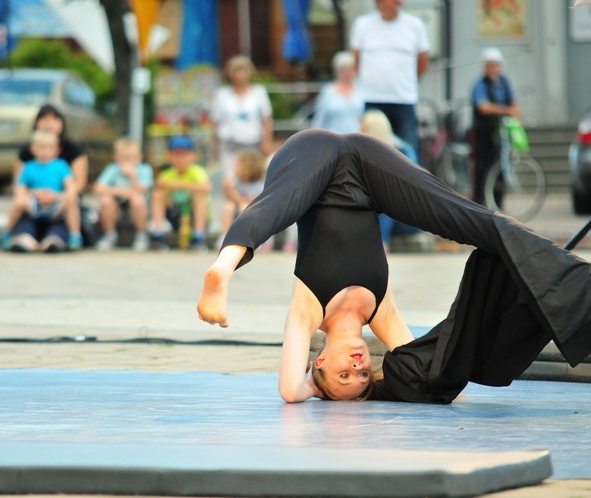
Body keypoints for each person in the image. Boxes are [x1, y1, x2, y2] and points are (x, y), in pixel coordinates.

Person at [197, 129, 591, 404]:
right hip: (370, 174)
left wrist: (313, 391)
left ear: (318, 361)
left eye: (342, 375)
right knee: (469, 219)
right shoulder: (381, 314)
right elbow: (437, 371)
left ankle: (225, 265)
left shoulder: (308, 311)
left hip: (307, 157)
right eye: (364, 374)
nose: (357, 367)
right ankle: (578, 285)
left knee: (279, 203)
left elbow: (288, 390)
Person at [350, 0, 429, 154]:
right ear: (380, 3)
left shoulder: (415, 26)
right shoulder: (363, 25)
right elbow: (357, 60)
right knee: (370, 152)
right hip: (372, 99)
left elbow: (423, 62)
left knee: (408, 152)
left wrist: (408, 84)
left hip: (403, 99)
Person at [7, 104, 89, 251]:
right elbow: (18, 185)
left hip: (59, 203)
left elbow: (77, 185)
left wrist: (56, 196)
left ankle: (65, 238)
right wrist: (34, 195)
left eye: (54, 119)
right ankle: (17, 236)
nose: (49, 123)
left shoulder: (70, 154)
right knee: (22, 209)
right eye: (44, 119)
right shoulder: (27, 156)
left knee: (68, 209)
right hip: (34, 203)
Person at [359, 109, 430, 251]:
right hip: (389, 217)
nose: (359, 133)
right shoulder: (371, 153)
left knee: (386, 192)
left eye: (363, 130)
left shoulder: (401, 152)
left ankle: (381, 243)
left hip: (406, 219)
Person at [470, 47, 522, 206]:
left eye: (495, 65)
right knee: (482, 167)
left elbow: (516, 106)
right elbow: (483, 107)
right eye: (489, 66)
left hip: (500, 131)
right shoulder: (480, 85)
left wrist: (512, 111)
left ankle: (498, 202)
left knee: (501, 165)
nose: (493, 69)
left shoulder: (504, 83)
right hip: (483, 132)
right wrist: (506, 110)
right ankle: (481, 202)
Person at [211, 55, 273, 176]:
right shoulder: (222, 95)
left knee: (252, 177)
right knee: (230, 178)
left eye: (243, 71)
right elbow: (215, 122)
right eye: (237, 71)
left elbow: (266, 119)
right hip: (229, 145)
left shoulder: (258, 93)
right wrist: (215, 146)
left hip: (252, 143)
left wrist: (267, 141)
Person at [150, 136, 212, 251]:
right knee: (158, 195)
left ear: (193, 156)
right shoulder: (167, 174)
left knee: (199, 196)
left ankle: (199, 235)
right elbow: (158, 185)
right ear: (169, 156)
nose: (180, 159)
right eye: (176, 154)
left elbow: (207, 187)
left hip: (193, 215)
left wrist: (180, 185)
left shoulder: (197, 171)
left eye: (184, 155)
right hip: (175, 215)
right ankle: (158, 232)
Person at [92, 137, 154, 252]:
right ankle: (110, 234)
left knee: (137, 199)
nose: (128, 161)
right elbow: (98, 188)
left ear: (140, 157)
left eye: (132, 157)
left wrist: (133, 176)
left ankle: (141, 235)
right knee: (105, 200)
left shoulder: (145, 169)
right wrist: (125, 192)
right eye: (124, 157)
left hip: (138, 209)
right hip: (117, 208)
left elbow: (142, 190)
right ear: (116, 157)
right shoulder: (112, 169)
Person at [219, 150, 267, 250]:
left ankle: (248, 238)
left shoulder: (259, 185)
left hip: (253, 211)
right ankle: (224, 236)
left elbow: (254, 202)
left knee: (244, 206)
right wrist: (228, 189)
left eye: (238, 165)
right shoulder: (235, 181)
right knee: (228, 206)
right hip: (237, 207)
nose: (234, 167)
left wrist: (237, 196)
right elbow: (229, 198)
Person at [312, 51, 365, 135]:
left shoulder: (362, 90)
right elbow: (319, 120)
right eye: (344, 69)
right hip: (334, 141)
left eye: (351, 68)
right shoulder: (328, 92)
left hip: (358, 140)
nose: (349, 72)